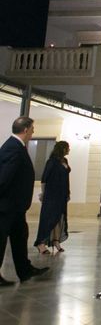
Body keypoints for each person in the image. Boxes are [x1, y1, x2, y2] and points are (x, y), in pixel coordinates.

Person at [0, 117, 49, 286]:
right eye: (33, 128)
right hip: (7, 207)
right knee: (1, 241)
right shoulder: (13, 148)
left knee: (20, 237)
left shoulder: (16, 147)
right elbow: (4, 179)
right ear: (26, 129)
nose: (34, 132)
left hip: (15, 207)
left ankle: (25, 270)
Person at [34, 141, 71, 254]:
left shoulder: (64, 161)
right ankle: (40, 243)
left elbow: (66, 179)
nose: (69, 150)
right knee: (48, 218)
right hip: (51, 195)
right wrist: (44, 194)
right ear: (62, 149)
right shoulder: (52, 161)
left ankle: (56, 241)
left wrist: (68, 193)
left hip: (62, 195)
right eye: (68, 148)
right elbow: (44, 178)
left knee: (59, 218)